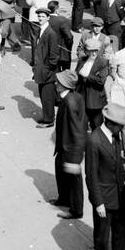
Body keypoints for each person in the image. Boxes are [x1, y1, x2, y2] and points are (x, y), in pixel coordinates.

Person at [85, 101, 125, 250]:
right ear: (111, 123)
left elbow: (117, 162)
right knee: (102, 235)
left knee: (121, 230)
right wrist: (98, 202)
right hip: (104, 198)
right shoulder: (94, 141)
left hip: (119, 193)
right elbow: (91, 175)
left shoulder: (114, 137)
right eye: (121, 125)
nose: (123, 128)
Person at [52, 68, 86, 219]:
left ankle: (76, 210)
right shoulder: (75, 97)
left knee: (74, 180)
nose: (55, 83)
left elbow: (77, 130)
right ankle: (64, 198)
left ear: (64, 85)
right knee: (61, 172)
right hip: (64, 146)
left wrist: (75, 157)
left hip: (70, 149)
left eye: (58, 82)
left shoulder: (69, 103)